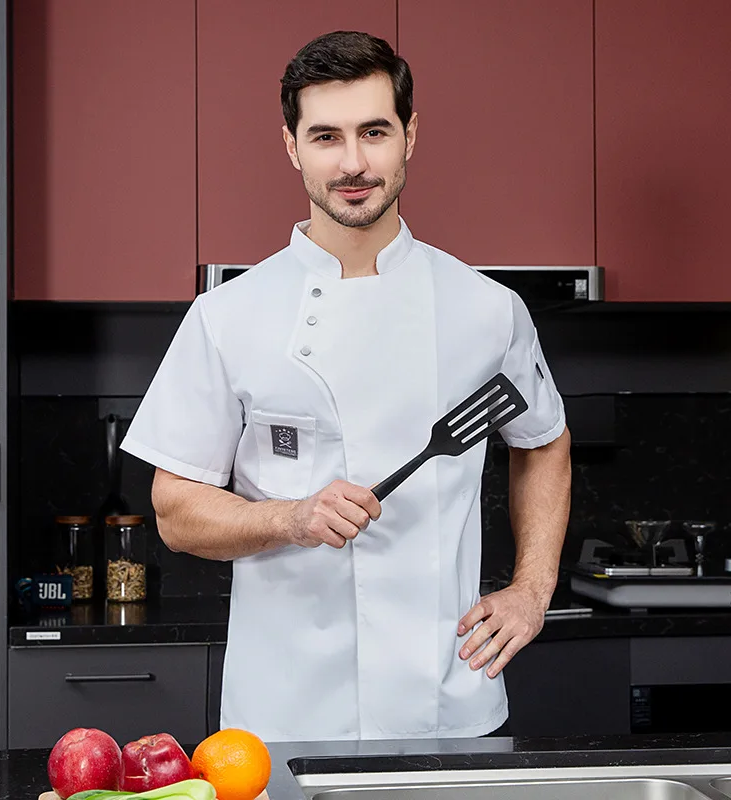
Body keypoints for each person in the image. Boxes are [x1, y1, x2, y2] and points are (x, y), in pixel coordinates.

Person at [121, 30, 571, 742]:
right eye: (326, 136)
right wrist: (289, 518)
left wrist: (532, 589)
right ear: (292, 146)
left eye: (374, 132)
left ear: (410, 136)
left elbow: (544, 443)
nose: (354, 162)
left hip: (447, 703)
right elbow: (175, 512)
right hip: (283, 712)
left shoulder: (486, 310)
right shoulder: (227, 316)